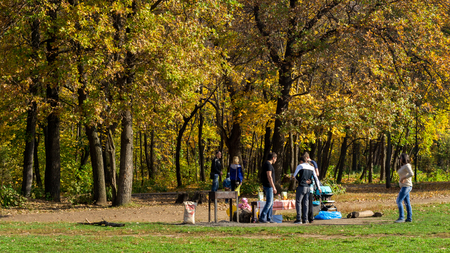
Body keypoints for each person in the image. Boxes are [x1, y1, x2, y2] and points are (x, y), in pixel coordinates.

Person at [292, 156, 321, 224]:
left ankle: (299, 219)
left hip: (301, 186)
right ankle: (305, 219)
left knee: (298, 202)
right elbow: (316, 178)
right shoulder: (312, 167)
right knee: (306, 203)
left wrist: (299, 180)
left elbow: (294, 175)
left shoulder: (300, 166)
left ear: (301, 161)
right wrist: (318, 188)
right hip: (308, 188)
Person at [259, 152, 277, 223]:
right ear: (273, 158)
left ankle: (269, 218)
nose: (275, 160)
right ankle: (262, 217)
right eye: (275, 159)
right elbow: (269, 176)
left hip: (268, 186)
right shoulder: (268, 165)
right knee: (269, 202)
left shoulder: (267, 164)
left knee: (271, 203)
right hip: (268, 186)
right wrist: (273, 187)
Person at [395, 153, 414, 223]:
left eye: (400, 158)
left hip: (407, 186)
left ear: (404, 158)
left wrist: (404, 177)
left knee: (398, 201)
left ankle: (401, 218)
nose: (399, 159)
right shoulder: (403, 166)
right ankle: (409, 218)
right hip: (404, 186)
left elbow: (411, 173)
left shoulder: (407, 165)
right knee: (407, 202)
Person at [303, 152, 319, 223]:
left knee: (308, 203)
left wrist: (312, 182)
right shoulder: (307, 166)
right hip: (306, 187)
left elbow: (316, 175)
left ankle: (309, 217)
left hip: (310, 188)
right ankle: (307, 217)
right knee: (307, 203)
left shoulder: (312, 165)